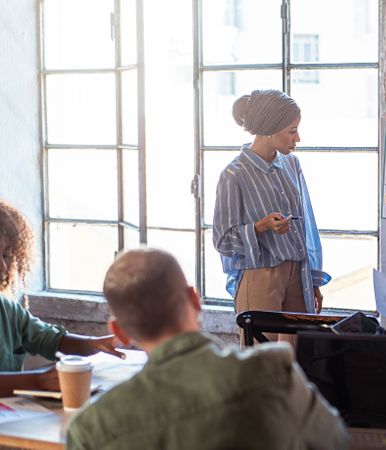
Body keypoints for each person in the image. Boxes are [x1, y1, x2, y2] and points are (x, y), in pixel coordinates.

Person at [66, 248, 349, 450]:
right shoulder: (275, 371)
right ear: (194, 298)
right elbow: (336, 441)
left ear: (119, 332)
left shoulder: (92, 429)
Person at [213, 89, 330, 340]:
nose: (297, 138)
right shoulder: (234, 175)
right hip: (259, 277)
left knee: (299, 359)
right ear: (268, 129)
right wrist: (260, 226)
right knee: (262, 364)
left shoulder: (292, 164)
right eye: (291, 131)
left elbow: (307, 225)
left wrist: (314, 280)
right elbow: (222, 240)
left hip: (298, 274)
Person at [0, 199, 122, 396]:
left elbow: (52, 339)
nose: (3, 267)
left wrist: (94, 343)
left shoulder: (7, 310)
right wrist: (38, 381)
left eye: (5, 256)